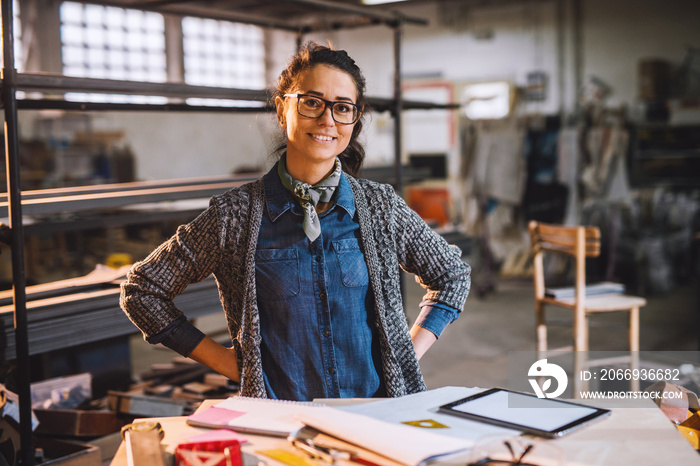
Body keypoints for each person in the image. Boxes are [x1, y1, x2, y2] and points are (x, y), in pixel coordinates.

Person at [120, 42, 470, 401]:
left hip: (376, 415)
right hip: (283, 423)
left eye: (342, 108)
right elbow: (143, 291)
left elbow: (452, 276)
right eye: (312, 102)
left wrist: (404, 355)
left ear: (355, 118)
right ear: (282, 107)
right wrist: (231, 364)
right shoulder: (235, 215)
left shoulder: (381, 207)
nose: (327, 120)